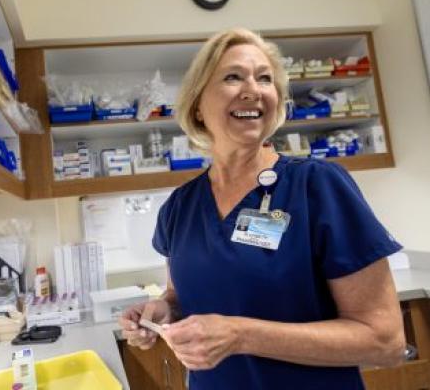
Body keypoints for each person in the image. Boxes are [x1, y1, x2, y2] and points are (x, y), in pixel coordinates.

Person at [119, 28, 405, 390]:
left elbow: (386, 341)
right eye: (233, 76)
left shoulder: (317, 187)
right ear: (197, 105)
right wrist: (163, 311)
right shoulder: (180, 207)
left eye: (265, 79)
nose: (253, 89)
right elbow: (179, 294)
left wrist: (241, 335)